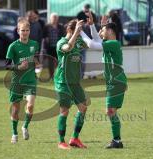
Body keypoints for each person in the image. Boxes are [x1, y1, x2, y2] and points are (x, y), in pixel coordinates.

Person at [81, 12, 127, 149]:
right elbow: (97, 40)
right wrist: (92, 26)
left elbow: (93, 45)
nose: (101, 31)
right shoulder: (109, 43)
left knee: (110, 111)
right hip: (113, 82)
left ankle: (117, 141)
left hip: (117, 82)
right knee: (110, 111)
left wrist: (80, 33)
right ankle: (117, 141)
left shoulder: (113, 43)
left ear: (110, 30)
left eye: (103, 29)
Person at [54, 19, 88, 150]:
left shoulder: (79, 42)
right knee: (64, 111)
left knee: (83, 108)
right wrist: (75, 34)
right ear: (70, 30)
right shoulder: (61, 42)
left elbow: (93, 44)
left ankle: (74, 138)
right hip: (63, 82)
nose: (79, 34)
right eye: (77, 31)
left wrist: (90, 26)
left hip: (75, 82)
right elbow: (67, 48)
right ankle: (61, 142)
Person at [5, 17, 40, 144]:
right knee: (15, 110)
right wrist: (18, 67)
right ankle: (14, 133)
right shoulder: (13, 46)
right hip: (17, 82)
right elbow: (7, 65)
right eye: (22, 30)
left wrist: (37, 65)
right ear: (18, 31)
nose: (24, 32)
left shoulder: (34, 44)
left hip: (30, 81)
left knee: (30, 106)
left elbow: (35, 59)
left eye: (26, 30)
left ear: (29, 31)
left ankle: (25, 126)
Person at [77, 4, 97, 79]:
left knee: (83, 61)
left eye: (87, 9)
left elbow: (94, 25)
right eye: (85, 8)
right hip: (81, 42)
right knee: (79, 61)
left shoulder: (92, 15)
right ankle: (79, 76)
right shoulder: (80, 14)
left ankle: (81, 76)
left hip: (88, 42)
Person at [42, 13, 65, 79]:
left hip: (58, 47)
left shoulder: (60, 26)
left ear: (57, 19)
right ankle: (51, 76)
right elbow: (43, 36)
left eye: (55, 18)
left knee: (60, 62)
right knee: (50, 63)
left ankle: (59, 75)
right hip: (50, 47)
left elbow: (63, 36)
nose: (54, 19)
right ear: (50, 18)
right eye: (53, 18)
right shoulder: (46, 26)